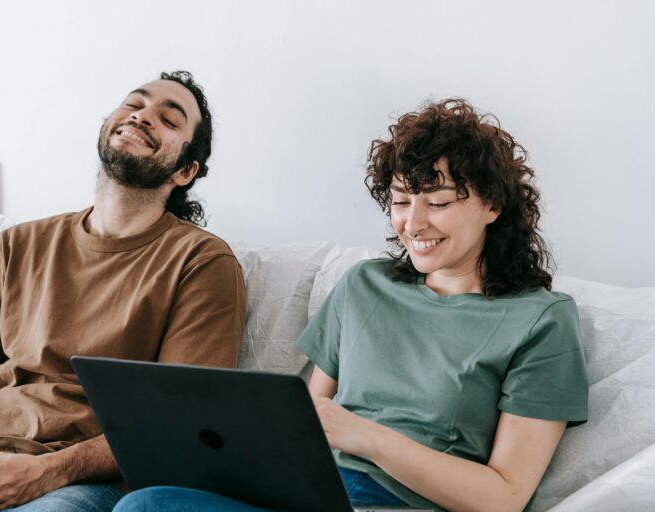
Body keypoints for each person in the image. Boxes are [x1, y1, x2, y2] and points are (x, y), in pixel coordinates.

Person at [111, 98, 588, 512]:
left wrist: (366, 436)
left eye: (438, 203)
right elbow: (309, 421)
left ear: (493, 205)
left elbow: (504, 498)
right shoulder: (365, 285)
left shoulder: (541, 319)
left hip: (403, 503)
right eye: (401, 201)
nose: (413, 223)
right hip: (310, 490)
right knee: (148, 500)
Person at [0, 70, 247, 512]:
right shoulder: (19, 243)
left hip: (84, 482)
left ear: (185, 170)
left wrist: (49, 470)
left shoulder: (201, 262)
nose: (143, 115)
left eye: (169, 120)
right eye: (134, 103)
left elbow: (180, 420)